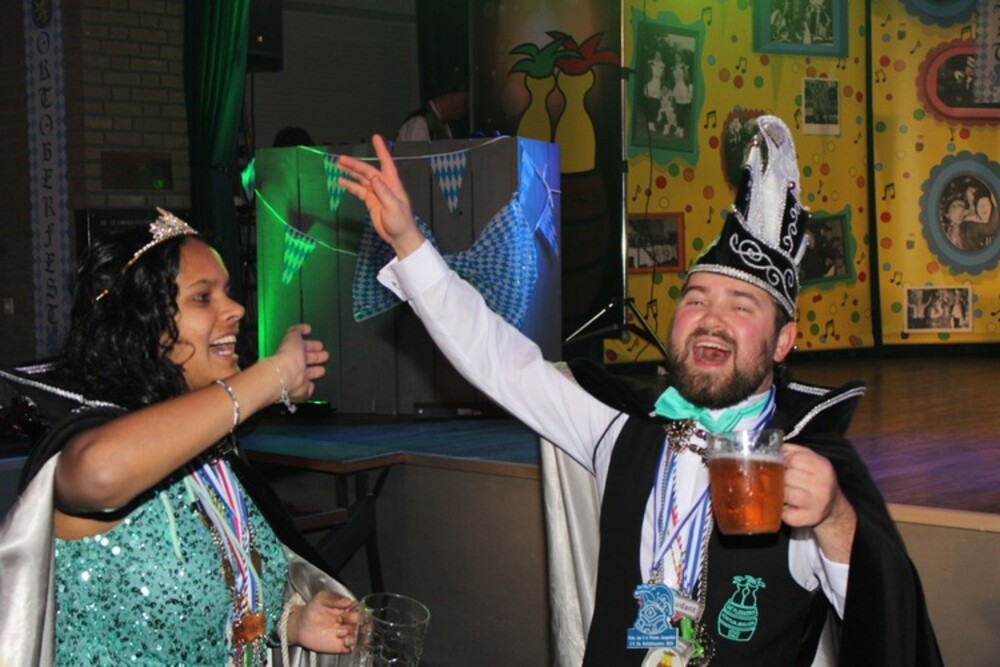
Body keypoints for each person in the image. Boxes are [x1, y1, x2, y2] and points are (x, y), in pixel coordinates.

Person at [337, 117, 942, 666]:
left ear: (783, 342)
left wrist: (835, 519)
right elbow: (496, 358)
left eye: (742, 306)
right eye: (696, 300)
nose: (711, 318)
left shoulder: (803, 465)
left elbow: (881, 627)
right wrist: (410, 245)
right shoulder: (619, 428)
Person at [0, 209, 359, 665]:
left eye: (227, 291)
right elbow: (100, 473)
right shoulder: (99, 440)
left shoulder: (211, 455)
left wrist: (289, 621)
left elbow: (208, 603)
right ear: (142, 325)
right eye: (203, 297)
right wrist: (272, 377)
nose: (236, 309)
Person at [395, 86, 469, 142]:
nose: (467, 107)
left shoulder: (446, 126)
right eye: (465, 102)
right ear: (450, 98)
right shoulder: (419, 123)